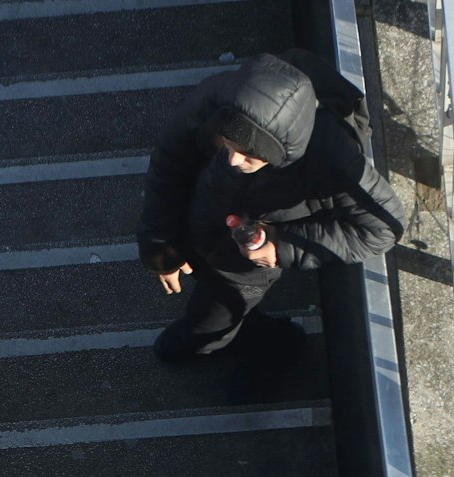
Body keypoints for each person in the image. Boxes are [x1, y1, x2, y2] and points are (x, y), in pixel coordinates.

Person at [138, 50, 402, 364]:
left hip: (244, 269)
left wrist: (281, 245)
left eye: (250, 153)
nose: (233, 160)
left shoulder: (332, 158)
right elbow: (169, 165)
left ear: (282, 154)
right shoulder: (218, 99)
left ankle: (247, 346)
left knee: (209, 326)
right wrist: (161, 246)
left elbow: (385, 228)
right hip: (199, 218)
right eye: (228, 143)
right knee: (210, 308)